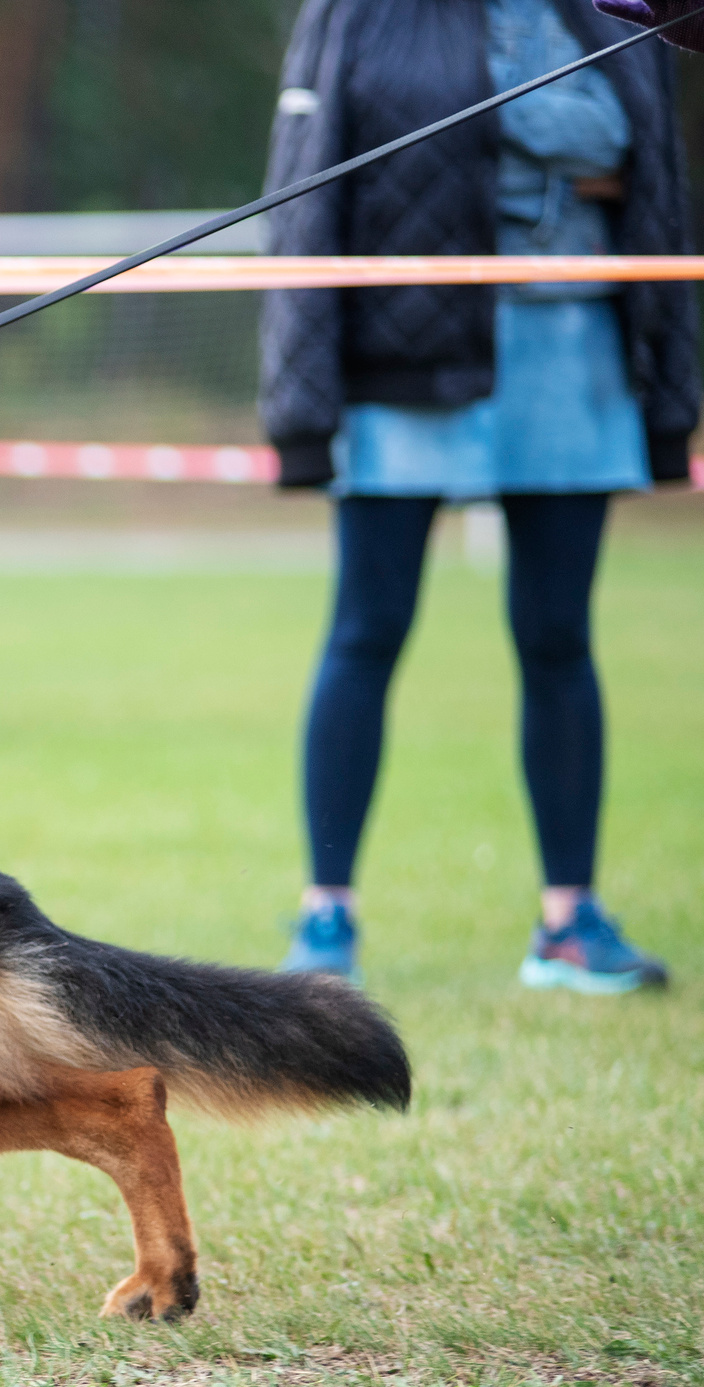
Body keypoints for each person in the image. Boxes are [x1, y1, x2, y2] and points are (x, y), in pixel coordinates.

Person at [260, 0, 695, 993]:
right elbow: (317, 173)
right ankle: (326, 919)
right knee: (364, 632)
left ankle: (569, 921)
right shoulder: (360, 10)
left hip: (573, 355)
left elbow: (639, 154)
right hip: (399, 358)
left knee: (558, 637)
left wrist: (529, 142)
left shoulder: (611, 6)